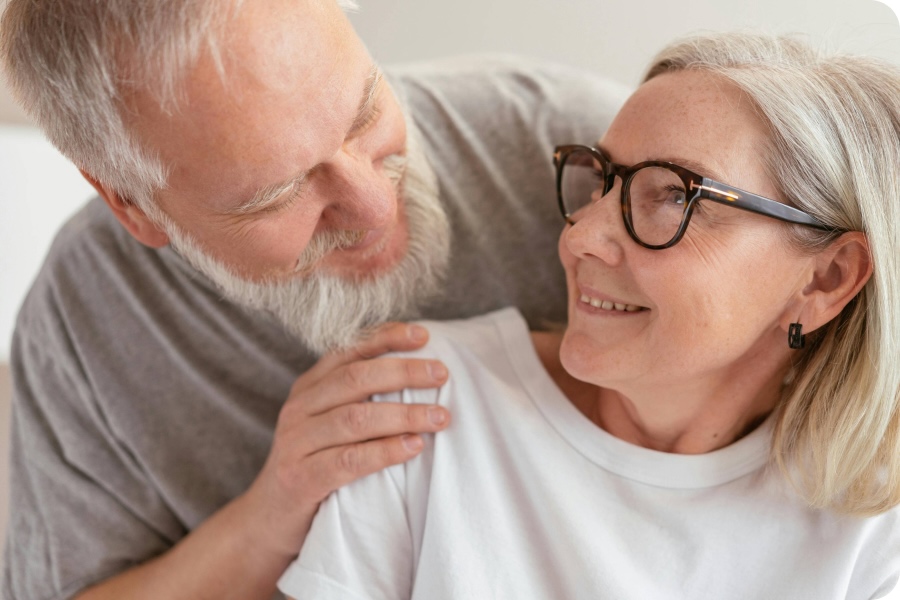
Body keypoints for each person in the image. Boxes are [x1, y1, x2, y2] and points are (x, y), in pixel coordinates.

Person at [0, 0, 627, 598]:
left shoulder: (580, 155)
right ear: (132, 206)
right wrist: (269, 517)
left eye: (364, 113)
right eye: (278, 193)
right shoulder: (82, 319)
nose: (377, 206)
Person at [277, 32, 900, 599]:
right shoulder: (425, 400)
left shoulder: (870, 526)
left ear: (826, 278)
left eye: (676, 194)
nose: (580, 237)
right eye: (604, 180)